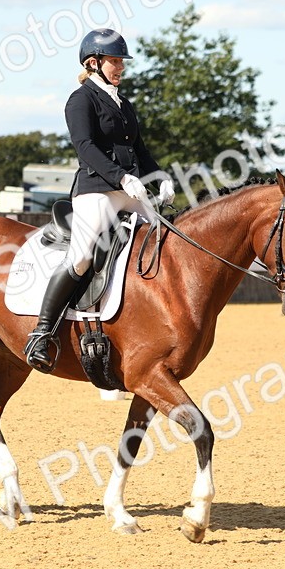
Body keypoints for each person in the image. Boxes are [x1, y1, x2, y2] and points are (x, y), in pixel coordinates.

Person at [23, 28, 175, 372]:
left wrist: (160, 177)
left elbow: (140, 150)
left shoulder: (124, 103)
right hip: (95, 190)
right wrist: (121, 177)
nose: (120, 67)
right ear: (94, 63)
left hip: (130, 191)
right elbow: (85, 147)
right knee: (81, 257)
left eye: (122, 61)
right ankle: (42, 333)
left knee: (163, 241)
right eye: (115, 61)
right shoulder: (81, 100)